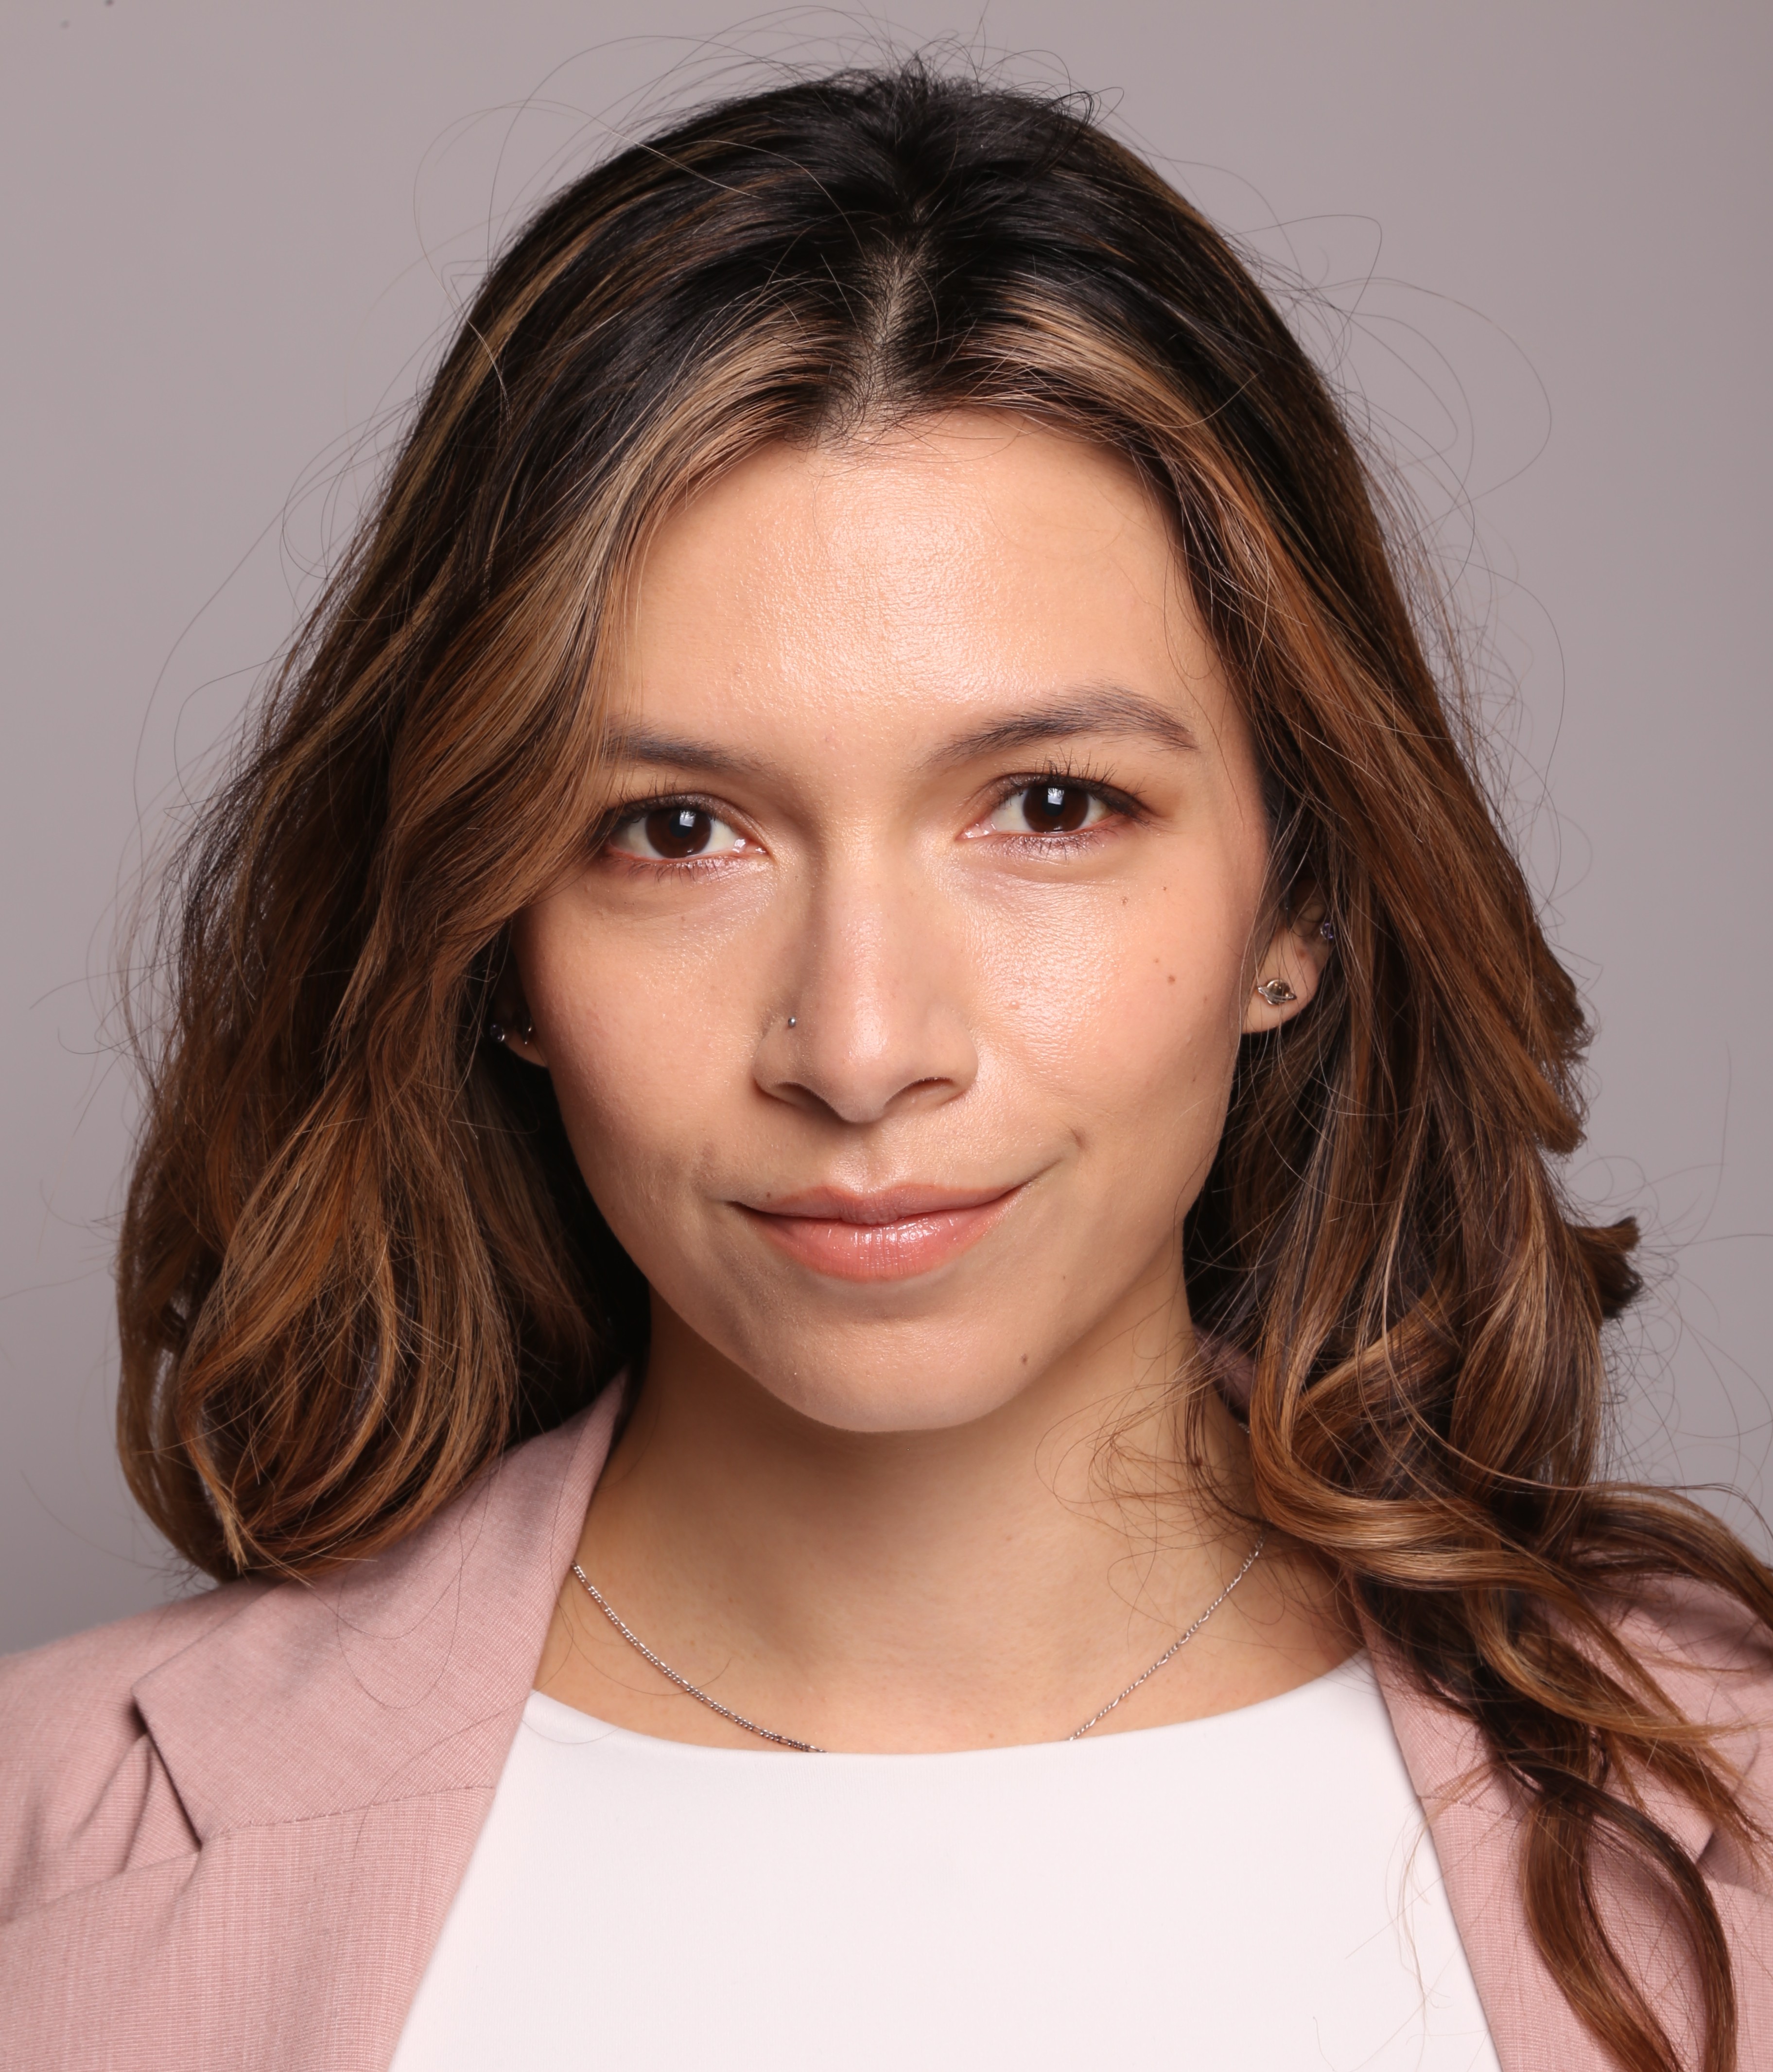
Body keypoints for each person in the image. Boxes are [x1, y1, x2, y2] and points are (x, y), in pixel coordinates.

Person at [1, 62, 1768, 2072]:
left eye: (1052, 805)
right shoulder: (52, 1870)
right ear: (494, 941)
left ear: (1300, 902)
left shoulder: (1730, 1818)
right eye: (676, 831)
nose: (860, 1050)